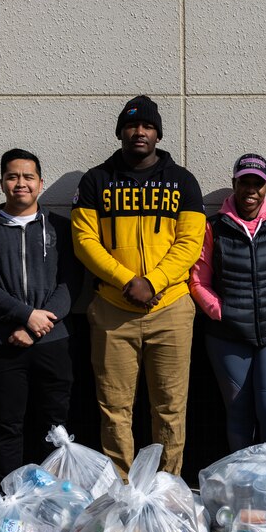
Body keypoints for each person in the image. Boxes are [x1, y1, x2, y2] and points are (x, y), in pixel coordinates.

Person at [71, 95, 205, 477]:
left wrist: (154, 281)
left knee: (170, 407)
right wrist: (128, 280)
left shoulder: (182, 181)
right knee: (114, 407)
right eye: (132, 126)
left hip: (172, 308)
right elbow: (84, 241)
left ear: (158, 134)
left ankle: (167, 487)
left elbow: (190, 242)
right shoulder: (96, 180)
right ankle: (122, 489)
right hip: (114, 309)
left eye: (147, 126)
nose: (139, 132)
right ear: (120, 132)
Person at [0, 149, 82, 485]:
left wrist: (39, 325)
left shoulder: (61, 227)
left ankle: (56, 496)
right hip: (3, 341)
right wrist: (26, 317)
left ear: (40, 183)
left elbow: (72, 282)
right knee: (6, 425)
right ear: (2, 183)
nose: (20, 183)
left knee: (56, 425)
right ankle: (13, 500)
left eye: (28, 177)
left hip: (54, 341)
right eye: (13, 176)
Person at [189, 154, 266, 452]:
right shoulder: (213, 227)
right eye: (245, 182)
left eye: (258, 184)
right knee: (240, 415)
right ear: (234, 184)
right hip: (228, 336)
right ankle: (244, 486)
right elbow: (197, 281)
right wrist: (221, 310)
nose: (251, 190)